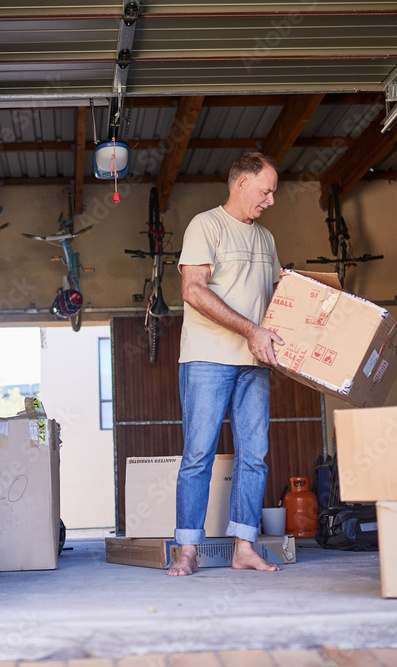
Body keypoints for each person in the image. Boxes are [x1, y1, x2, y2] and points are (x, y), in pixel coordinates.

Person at [167, 152, 284, 576]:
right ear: (242, 184)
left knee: (255, 456)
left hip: (255, 363)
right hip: (207, 359)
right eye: (266, 191)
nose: (270, 200)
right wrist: (250, 330)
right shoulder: (206, 225)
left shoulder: (267, 239)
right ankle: (188, 551)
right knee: (198, 454)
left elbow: (274, 303)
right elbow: (193, 291)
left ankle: (244, 548)